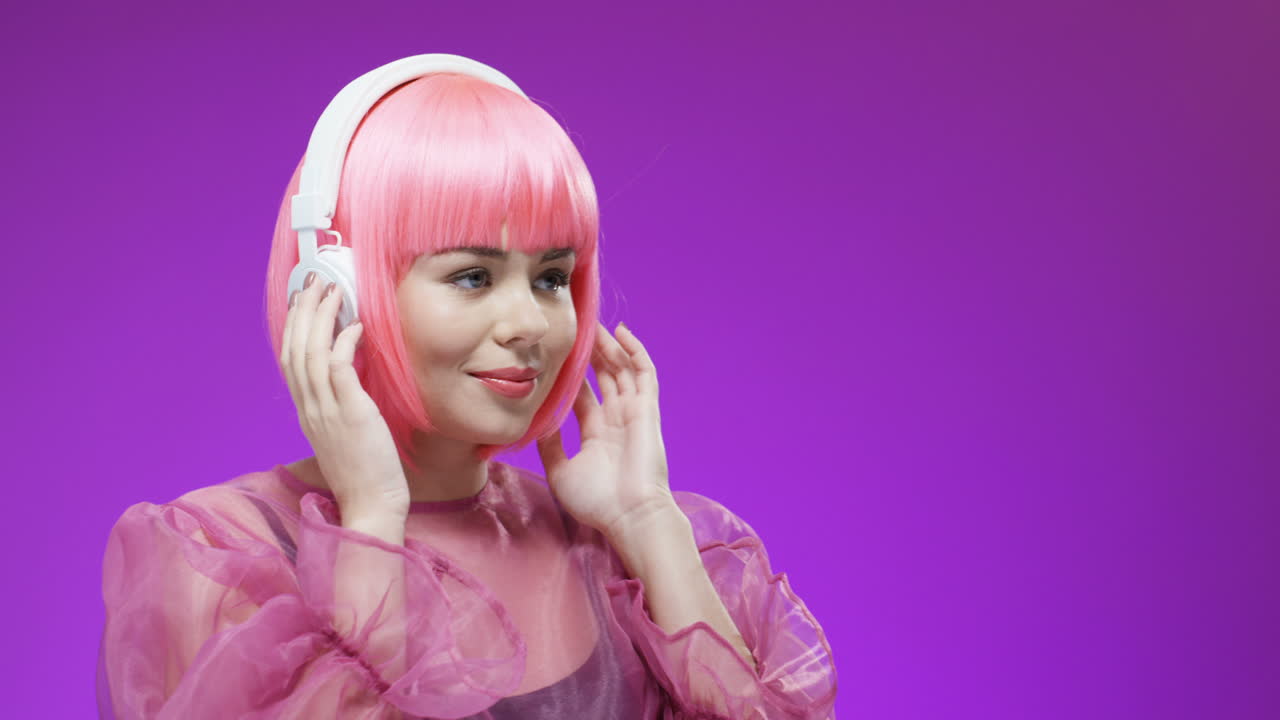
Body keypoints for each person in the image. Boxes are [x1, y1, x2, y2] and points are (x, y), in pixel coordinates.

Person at [96, 55, 838, 719]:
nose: (531, 324)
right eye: (472, 276)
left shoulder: (612, 549)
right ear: (336, 290)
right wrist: (371, 524)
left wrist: (648, 521)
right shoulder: (221, 552)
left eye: (552, 277)